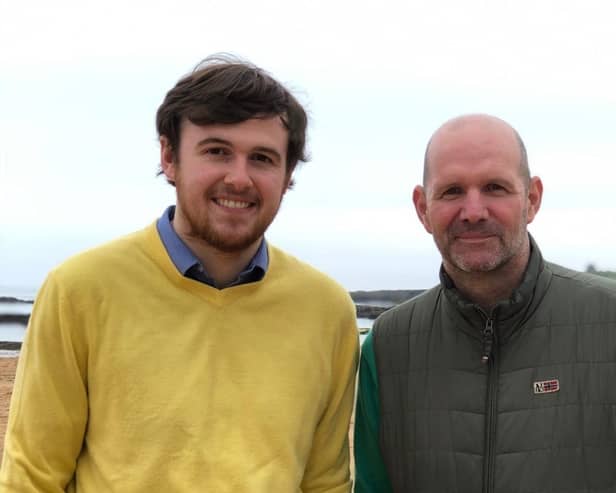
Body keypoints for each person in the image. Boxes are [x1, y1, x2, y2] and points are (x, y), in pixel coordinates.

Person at [0, 55, 359, 492]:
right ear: (170, 157)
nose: (239, 178)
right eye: (217, 151)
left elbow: (325, 481)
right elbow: (32, 476)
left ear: (287, 178)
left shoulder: (326, 309)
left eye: (262, 158)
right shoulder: (78, 290)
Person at [354, 114, 616, 492]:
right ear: (422, 208)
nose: (473, 211)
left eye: (494, 187)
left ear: (532, 199)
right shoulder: (389, 344)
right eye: (451, 191)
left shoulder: (607, 322)